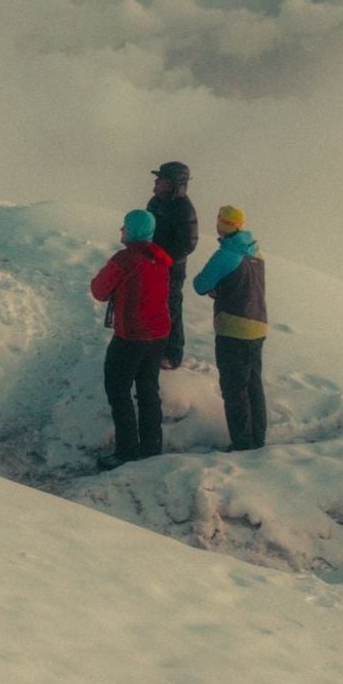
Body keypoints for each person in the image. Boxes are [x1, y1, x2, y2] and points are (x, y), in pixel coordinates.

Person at [89, 209, 173, 468]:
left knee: (118, 389)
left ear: (134, 230)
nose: (121, 230)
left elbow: (99, 290)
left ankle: (126, 452)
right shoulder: (160, 259)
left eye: (125, 226)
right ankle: (151, 449)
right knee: (148, 390)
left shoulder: (126, 259)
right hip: (158, 335)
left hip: (132, 336)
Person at [193, 205, 268, 451]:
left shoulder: (226, 255)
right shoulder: (257, 253)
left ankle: (243, 443)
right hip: (259, 325)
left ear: (221, 224)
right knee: (253, 385)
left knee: (234, 388)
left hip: (233, 327)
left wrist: (217, 290)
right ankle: (258, 439)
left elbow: (200, 284)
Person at [147, 161, 199, 370]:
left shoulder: (184, 209)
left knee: (171, 307)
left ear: (173, 183)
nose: (156, 182)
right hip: (151, 265)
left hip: (172, 270)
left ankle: (172, 354)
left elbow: (188, 243)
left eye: (160, 179)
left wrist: (164, 258)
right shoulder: (155, 202)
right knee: (152, 306)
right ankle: (152, 347)